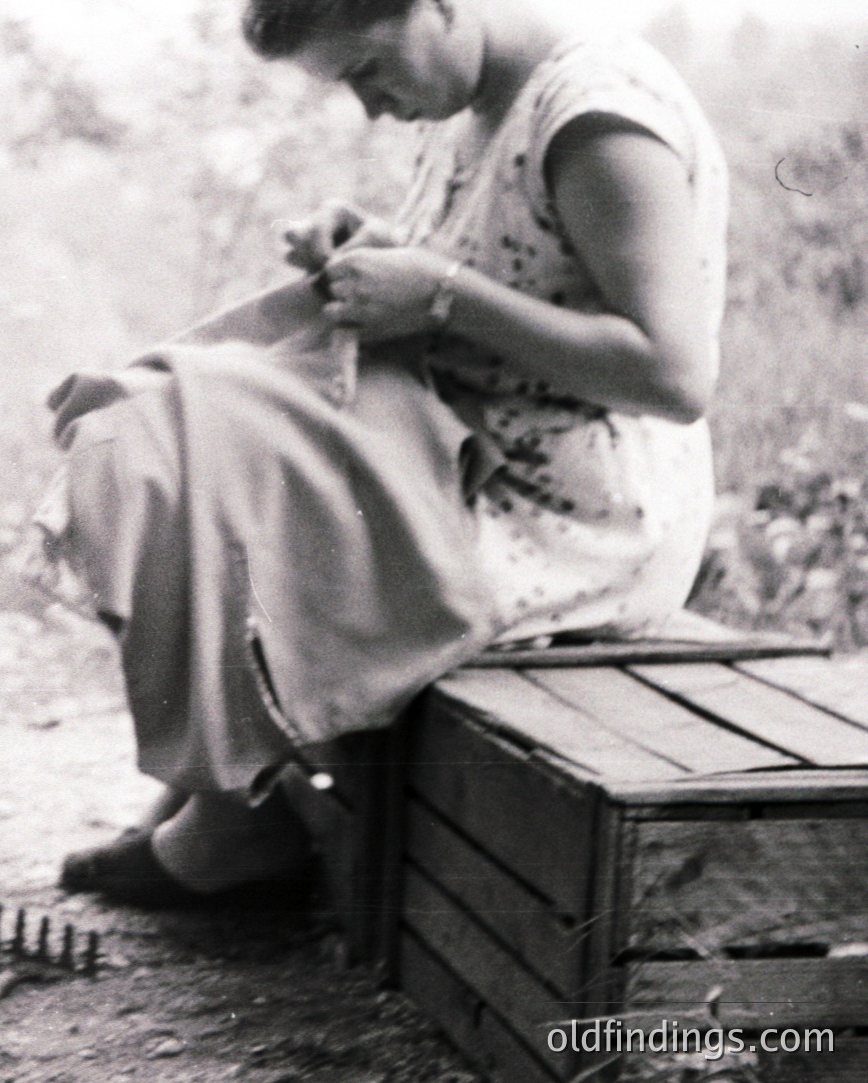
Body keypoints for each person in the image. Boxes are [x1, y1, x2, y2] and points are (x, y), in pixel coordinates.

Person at [41, 0, 727, 907]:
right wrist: (381, 253)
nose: (371, 107)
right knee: (168, 430)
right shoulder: (477, 102)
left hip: (572, 513)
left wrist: (439, 293)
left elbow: (673, 375)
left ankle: (235, 825)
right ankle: (216, 786)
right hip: (458, 456)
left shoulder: (595, 116)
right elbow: (513, 270)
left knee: (242, 482)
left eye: (368, 70)